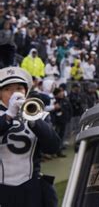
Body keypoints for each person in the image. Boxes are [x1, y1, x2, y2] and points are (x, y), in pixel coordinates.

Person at [0, 66, 61, 206]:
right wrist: (9, 115)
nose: (14, 93)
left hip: (30, 186)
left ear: (26, 92)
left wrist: (33, 120)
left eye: (19, 89)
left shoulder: (40, 115)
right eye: (7, 89)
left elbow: (53, 147)